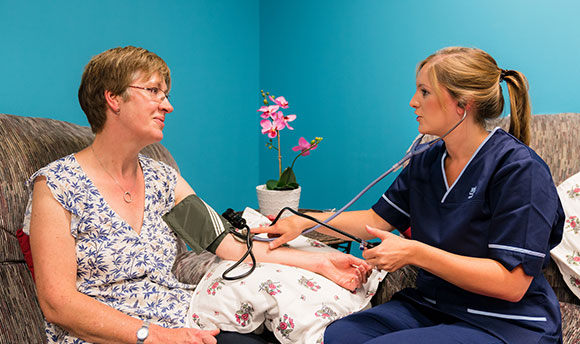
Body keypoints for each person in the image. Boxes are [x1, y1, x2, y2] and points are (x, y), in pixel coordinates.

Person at [24, 46, 371, 344]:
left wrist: (320, 262)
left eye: (167, 94)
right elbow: (58, 303)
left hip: (183, 321)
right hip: (116, 334)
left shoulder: (163, 179)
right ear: (113, 98)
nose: (167, 106)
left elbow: (230, 245)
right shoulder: (56, 186)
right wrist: (152, 335)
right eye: (154, 91)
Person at [253, 47, 564, 343]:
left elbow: (511, 284)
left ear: (463, 104)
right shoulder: (427, 159)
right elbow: (377, 219)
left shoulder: (520, 170)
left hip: (504, 321)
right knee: (341, 336)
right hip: (434, 306)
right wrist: (302, 223)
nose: (413, 102)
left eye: (424, 91)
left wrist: (414, 252)